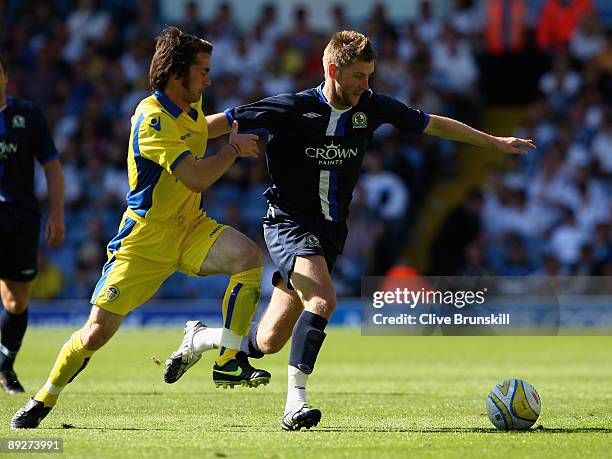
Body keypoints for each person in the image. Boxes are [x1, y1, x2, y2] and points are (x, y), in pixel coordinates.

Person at [164, 30, 535, 431]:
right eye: (359, 76)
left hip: (330, 233)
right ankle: (295, 404)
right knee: (323, 301)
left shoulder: (371, 107)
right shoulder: (292, 107)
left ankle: (200, 338)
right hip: (287, 222)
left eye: (370, 75)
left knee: (268, 342)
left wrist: (492, 141)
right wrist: (176, 140)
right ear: (333, 70)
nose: (366, 85)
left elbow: (432, 124)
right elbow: (222, 122)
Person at [11, 26, 270, 429]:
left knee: (249, 259)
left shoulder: (190, 106)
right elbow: (197, 177)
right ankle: (45, 396)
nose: (209, 78)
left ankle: (227, 361)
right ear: (176, 73)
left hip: (190, 227)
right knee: (96, 332)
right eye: (203, 70)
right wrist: (234, 150)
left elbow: (206, 127)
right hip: (145, 240)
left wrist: (258, 114)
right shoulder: (151, 118)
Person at [0, 54, 65, 394]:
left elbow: (52, 167)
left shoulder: (27, 115)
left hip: (21, 219)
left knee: (15, 301)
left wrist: (57, 212)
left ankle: (5, 365)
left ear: (6, 77)